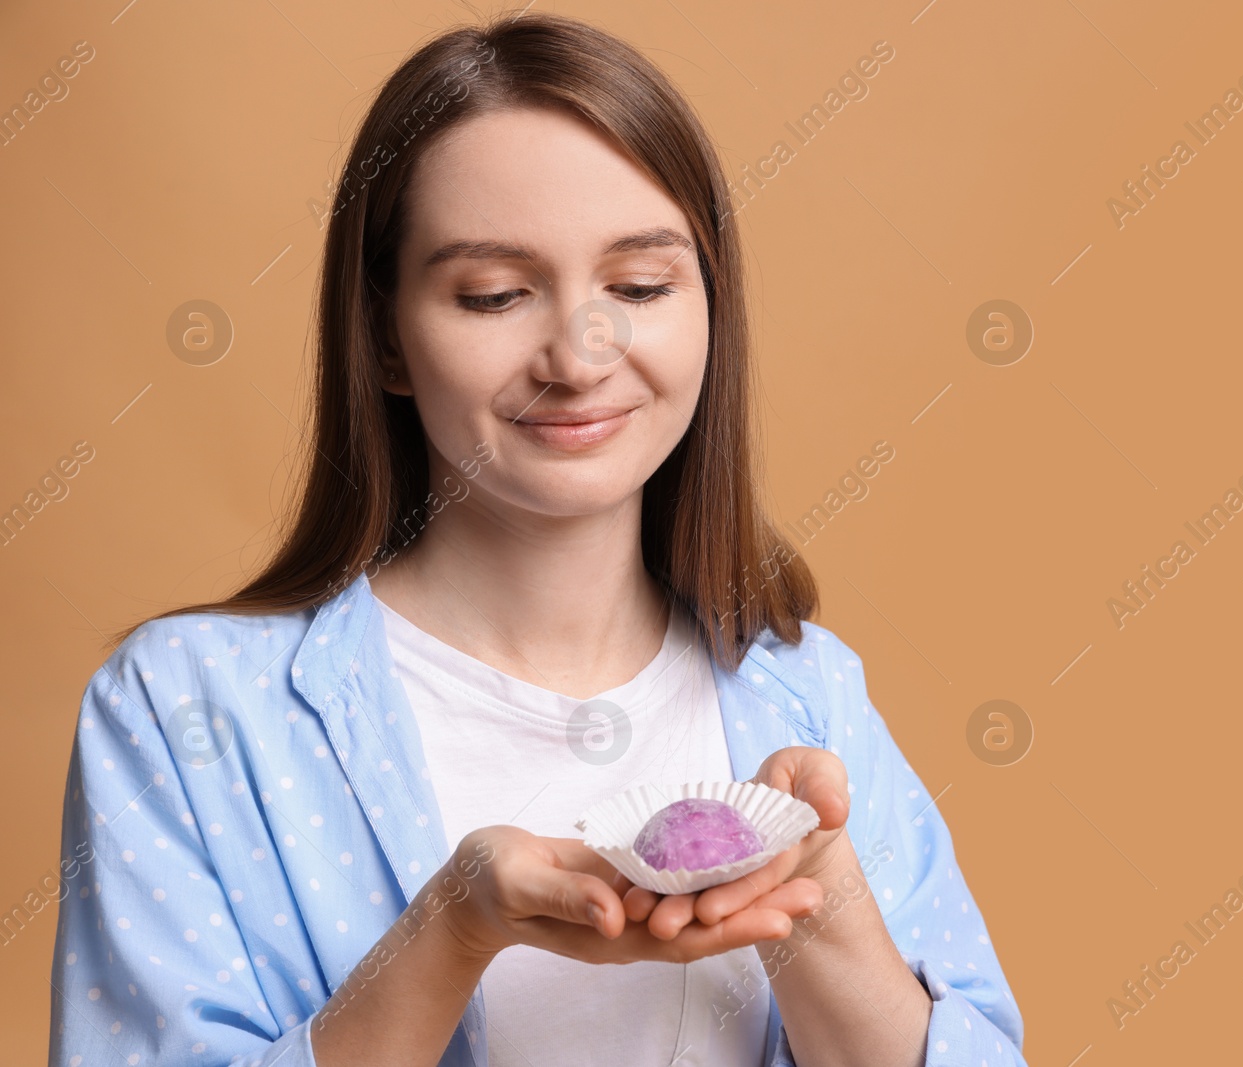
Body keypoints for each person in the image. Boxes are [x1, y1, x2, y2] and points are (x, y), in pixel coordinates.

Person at [47, 12, 1025, 1066]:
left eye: (641, 286)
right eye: (495, 295)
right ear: (384, 335)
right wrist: (449, 931)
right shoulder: (187, 710)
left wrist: (822, 902)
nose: (580, 352)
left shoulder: (808, 694)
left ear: (710, 305)